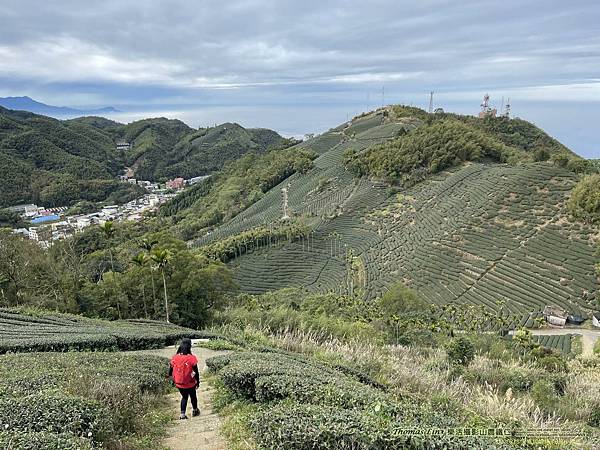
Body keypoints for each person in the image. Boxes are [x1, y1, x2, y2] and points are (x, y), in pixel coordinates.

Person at [169, 338, 200, 419]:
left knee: (184, 397)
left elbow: (170, 370)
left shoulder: (175, 357)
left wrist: (172, 380)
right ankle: (195, 410)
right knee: (193, 396)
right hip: (190, 382)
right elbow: (196, 371)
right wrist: (198, 382)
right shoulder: (192, 358)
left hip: (179, 383)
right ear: (189, 346)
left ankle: (182, 414)